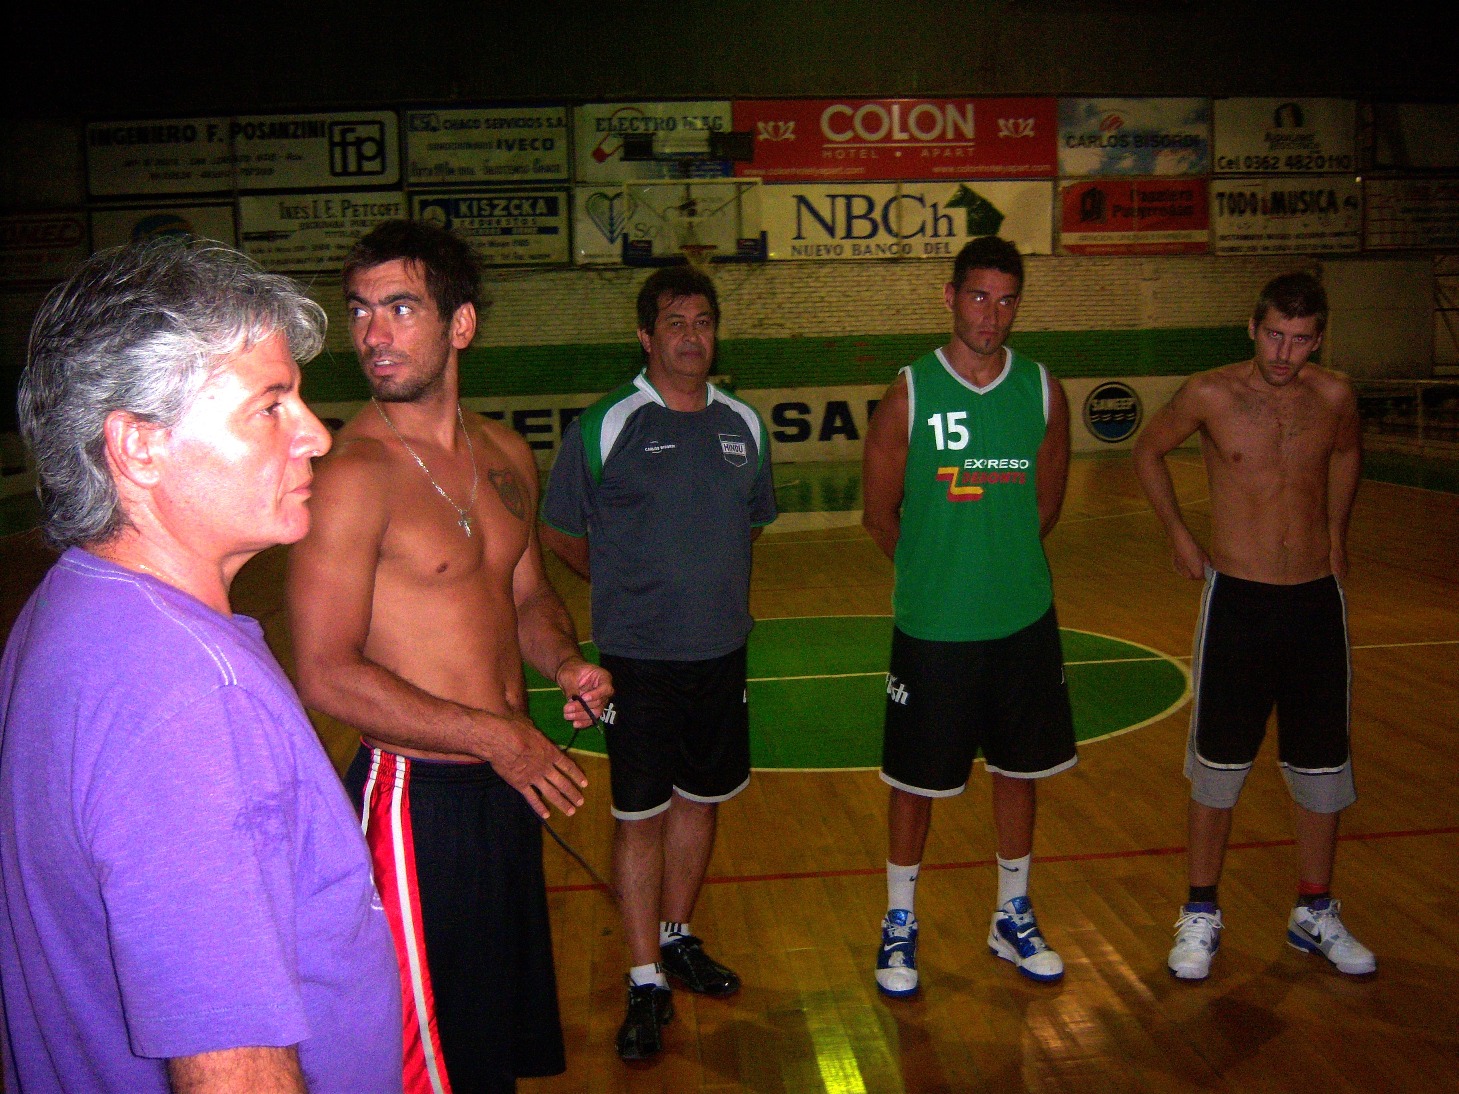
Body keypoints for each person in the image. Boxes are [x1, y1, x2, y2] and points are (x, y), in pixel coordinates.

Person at [0, 239, 402, 1093]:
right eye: (271, 405)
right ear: (139, 448)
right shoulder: (190, 698)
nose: (315, 435)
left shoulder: (72, 610)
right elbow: (233, 1072)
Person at [286, 220, 609, 1094]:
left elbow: (528, 598)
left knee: (486, 1050)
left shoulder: (504, 452)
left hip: (504, 786)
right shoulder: (351, 474)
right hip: (413, 802)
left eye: (399, 308)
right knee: (419, 1064)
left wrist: (565, 665)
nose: (372, 334)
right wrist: (494, 735)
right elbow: (324, 670)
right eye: (360, 310)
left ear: (460, 324)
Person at [540, 267, 776, 1061]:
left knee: (700, 803)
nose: (690, 336)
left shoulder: (744, 424)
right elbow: (562, 533)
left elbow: (749, 522)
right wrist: (628, 588)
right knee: (639, 816)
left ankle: (676, 938)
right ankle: (643, 979)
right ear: (646, 336)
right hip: (637, 660)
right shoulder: (608, 424)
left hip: (721, 652)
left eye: (703, 321)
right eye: (674, 322)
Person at [1133, 271, 1372, 981]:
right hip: (1237, 601)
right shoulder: (1210, 393)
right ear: (1252, 327)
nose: (1283, 353)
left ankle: (1314, 909)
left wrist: (1337, 531)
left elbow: (1347, 452)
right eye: (1273, 335)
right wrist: (1179, 535)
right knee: (1217, 765)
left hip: (1314, 603)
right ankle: (1200, 910)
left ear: (1317, 339)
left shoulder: (1334, 396)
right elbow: (1147, 450)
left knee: (1322, 766)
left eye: (1299, 340)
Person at [861, 236, 1075, 997]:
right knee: (914, 783)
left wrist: (995, 569)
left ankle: (1010, 913)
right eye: (979, 296)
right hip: (934, 627)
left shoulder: (1042, 390)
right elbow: (878, 513)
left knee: (1019, 771)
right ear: (949, 297)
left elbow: (1045, 507)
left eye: (1007, 299)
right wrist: (938, 572)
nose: (992, 314)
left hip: (1022, 620)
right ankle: (899, 920)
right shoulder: (909, 393)